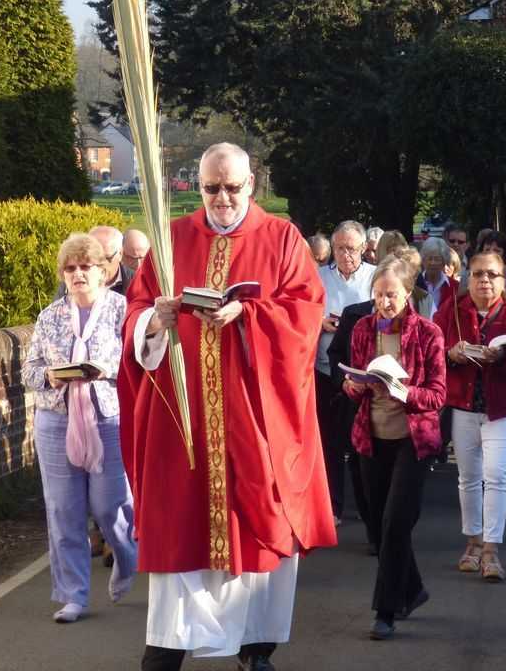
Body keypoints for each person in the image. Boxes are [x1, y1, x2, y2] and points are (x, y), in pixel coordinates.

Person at [117, 143, 335, 671]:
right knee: (180, 524)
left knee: (256, 522)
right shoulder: (170, 240)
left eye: (232, 187)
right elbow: (137, 308)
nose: (221, 197)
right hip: (183, 420)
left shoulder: (281, 238)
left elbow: (307, 315)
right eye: (211, 187)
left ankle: (254, 647)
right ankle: (166, 646)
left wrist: (250, 313)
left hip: (253, 420)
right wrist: (155, 320)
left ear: (251, 185)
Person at [22, 233, 137, 624]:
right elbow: (29, 371)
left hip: (108, 418)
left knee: (110, 506)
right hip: (56, 419)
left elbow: (142, 363)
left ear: (102, 271)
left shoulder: (123, 310)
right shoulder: (49, 316)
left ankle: (126, 554)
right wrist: (51, 377)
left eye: (85, 266)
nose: (77, 274)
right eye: (70, 269)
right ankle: (73, 595)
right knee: (63, 510)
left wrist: (107, 371)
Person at [343, 256, 446, 641]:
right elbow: (352, 380)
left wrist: (403, 391)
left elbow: (437, 395)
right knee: (385, 524)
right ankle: (414, 589)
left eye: (392, 295)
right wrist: (354, 386)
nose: (384, 302)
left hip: (413, 439)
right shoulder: (362, 329)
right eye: (379, 295)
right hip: (371, 436)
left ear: (408, 295)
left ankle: (384, 611)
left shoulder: (428, 333)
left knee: (395, 522)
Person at [434, 251, 506, 581]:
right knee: (467, 477)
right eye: (478, 273)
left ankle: (492, 550)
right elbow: (433, 354)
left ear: (503, 280)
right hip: (463, 405)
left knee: (495, 476)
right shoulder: (452, 309)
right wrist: (451, 354)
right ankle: (473, 543)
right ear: (468, 278)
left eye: (492, 274)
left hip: (501, 408)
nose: (484, 280)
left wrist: (502, 357)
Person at [315, 220, 374, 526]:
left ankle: (369, 509)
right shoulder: (318, 277)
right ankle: (332, 507)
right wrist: (320, 322)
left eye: (351, 248)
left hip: (365, 375)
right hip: (326, 368)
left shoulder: (374, 278)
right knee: (329, 443)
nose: (345, 254)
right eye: (339, 248)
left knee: (364, 444)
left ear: (363, 249)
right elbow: (302, 313)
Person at [56, 225, 134, 298]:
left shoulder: (137, 284)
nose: (99, 265)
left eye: (106, 258)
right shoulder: (71, 283)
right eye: (92, 259)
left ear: (120, 254)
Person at [418, 236, 459, 316]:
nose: (433, 263)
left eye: (437, 259)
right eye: (430, 258)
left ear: (444, 262)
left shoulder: (455, 287)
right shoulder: (414, 285)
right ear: (423, 261)